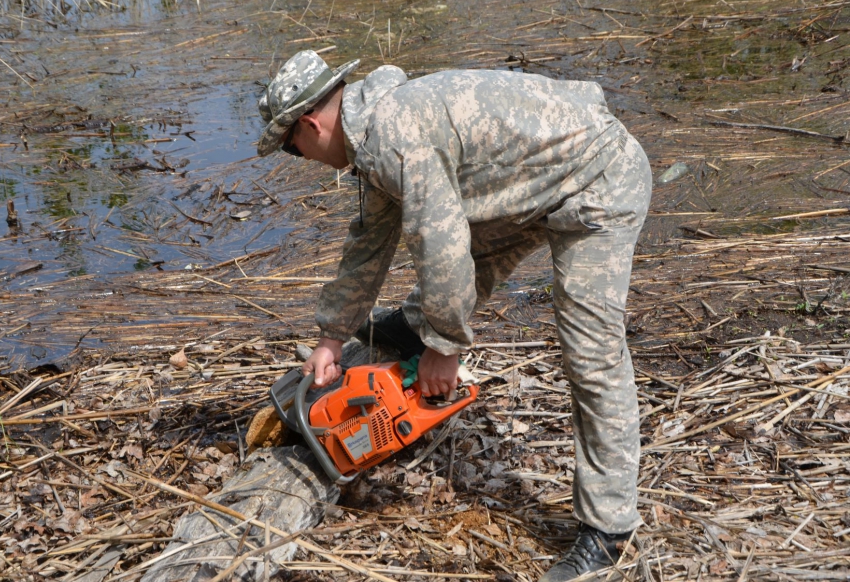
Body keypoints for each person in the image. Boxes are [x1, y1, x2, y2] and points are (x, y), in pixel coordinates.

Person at [256, 49, 652, 582]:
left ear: (310, 124)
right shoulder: (373, 131)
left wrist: (444, 347)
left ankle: (609, 529)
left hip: (596, 181)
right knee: (464, 259)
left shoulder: (395, 135)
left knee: (591, 353)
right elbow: (369, 243)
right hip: (528, 185)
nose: (299, 158)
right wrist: (332, 337)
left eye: (292, 150)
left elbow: (437, 244)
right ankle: (417, 325)